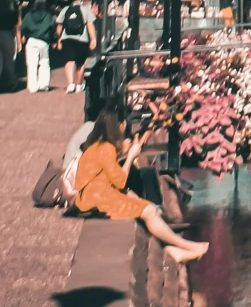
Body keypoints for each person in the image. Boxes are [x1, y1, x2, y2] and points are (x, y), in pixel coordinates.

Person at [71, 108, 207, 263]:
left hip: (92, 196)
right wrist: (130, 157)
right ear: (119, 125)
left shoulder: (97, 144)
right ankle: (186, 246)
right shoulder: (106, 148)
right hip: (96, 200)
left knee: (144, 206)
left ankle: (175, 252)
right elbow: (120, 181)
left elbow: (111, 176)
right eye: (123, 124)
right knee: (148, 210)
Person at [55, 0, 94, 95]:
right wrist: (93, 39)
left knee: (69, 60)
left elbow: (59, 25)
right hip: (82, 39)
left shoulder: (65, 9)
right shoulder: (85, 9)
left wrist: (58, 39)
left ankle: (70, 84)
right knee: (80, 63)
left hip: (67, 38)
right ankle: (79, 85)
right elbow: (90, 25)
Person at [20, 0, 56, 94]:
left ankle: (32, 86)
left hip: (31, 40)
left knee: (31, 63)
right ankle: (44, 84)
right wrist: (53, 40)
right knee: (44, 62)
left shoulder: (28, 15)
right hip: (44, 41)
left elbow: (23, 28)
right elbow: (52, 28)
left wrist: (24, 35)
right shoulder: (48, 15)